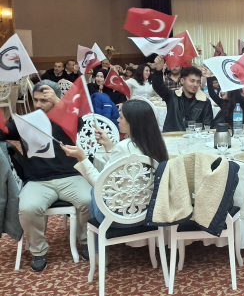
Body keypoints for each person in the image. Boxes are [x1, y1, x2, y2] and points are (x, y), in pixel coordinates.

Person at [61, 100, 169, 260]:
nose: (117, 120)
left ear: (132, 122)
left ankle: (99, 253)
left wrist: (82, 157)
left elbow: (100, 182)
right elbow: (123, 165)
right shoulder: (156, 144)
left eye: (121, 117)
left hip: (120, 217)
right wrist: (109, 146)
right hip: (148, 213)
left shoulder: (124, 146)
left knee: (94, 192)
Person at [1, 81, 88, 271]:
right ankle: (38, 251)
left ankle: (86, 241)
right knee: (28, 209)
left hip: (70, 176)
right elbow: (2, 132)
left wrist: (58, 103)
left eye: (44, 100)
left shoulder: (67, 118)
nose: (38, 105)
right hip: (38, 181)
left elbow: (79, 122)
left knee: (89, 200)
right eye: (36, 100)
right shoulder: (26, 122)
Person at [152, 56, 213, 132]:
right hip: (172, 135)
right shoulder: (172, 96)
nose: (195, 85)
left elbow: (207, 126)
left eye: (198, 82)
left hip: (194, 137)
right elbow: (157, 86)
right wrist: (158, 69)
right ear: (182, 81)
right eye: (192, 81)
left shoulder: (204, 101)